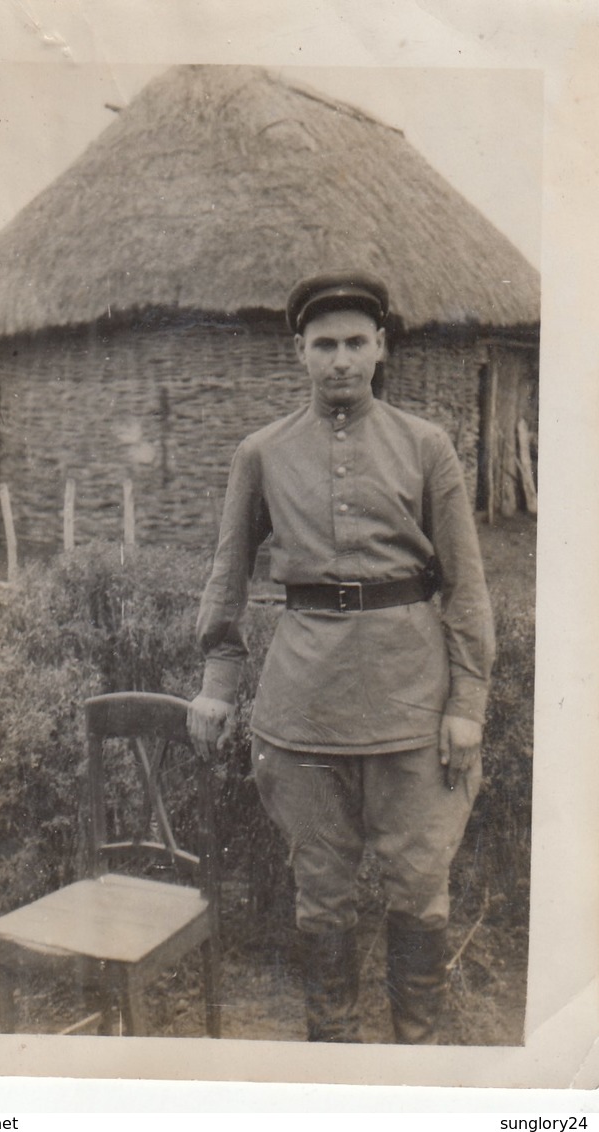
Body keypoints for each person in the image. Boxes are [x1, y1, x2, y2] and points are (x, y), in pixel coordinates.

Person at [187, 271, 496, 1044]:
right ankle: (336, 1057)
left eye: (356, 342)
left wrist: (467, 706)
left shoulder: (427, 448)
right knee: (321, 895)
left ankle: (415, 1054)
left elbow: (464, 586)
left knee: (419, 890)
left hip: (411, 708)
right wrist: (218, 683)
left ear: (381, 346)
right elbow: (229, 576)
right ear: (299, 352)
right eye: (323, 345)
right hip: (304, 713)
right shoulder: (260, 454)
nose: (340, 360)